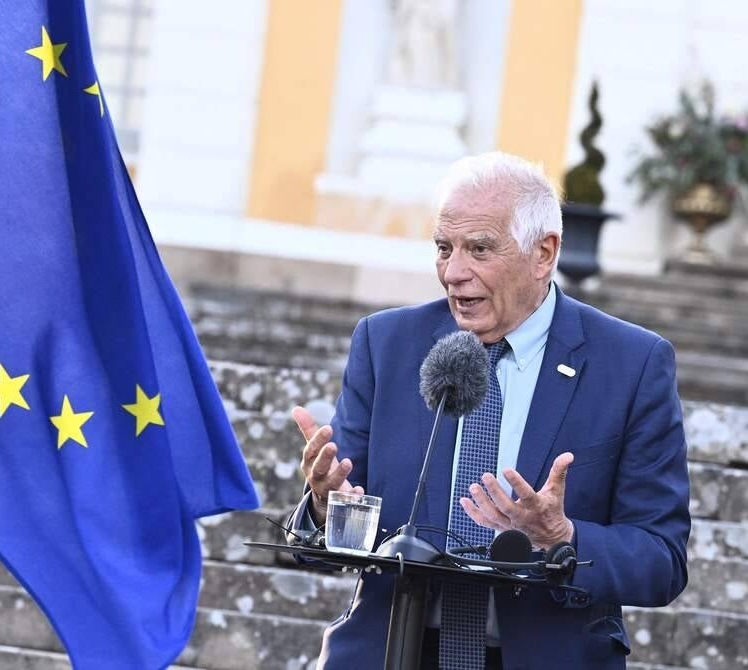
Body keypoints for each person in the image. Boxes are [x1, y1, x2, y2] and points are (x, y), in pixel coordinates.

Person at [288, 152, 690, 669]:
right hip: (390, 650)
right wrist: (326, 508)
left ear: (543, 254)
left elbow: (662, 561)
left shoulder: (632, 364)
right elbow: (334, 525)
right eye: (443, 248)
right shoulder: (386, 344)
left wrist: (563, 538)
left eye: (479, 249)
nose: (453, 273)